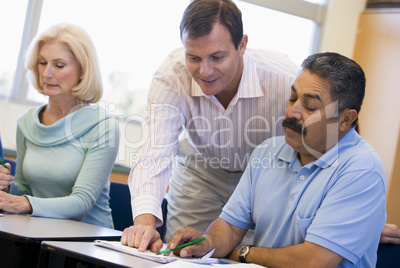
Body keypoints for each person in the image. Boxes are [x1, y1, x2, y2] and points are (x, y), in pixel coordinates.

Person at [167, 52, 387, 267]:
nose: (293, 112)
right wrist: (208, 243)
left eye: (310, 107)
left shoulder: (362, 169)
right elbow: (231, 227)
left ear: (345, 120)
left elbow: (314, 261)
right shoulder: (268, 151)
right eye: (293, 98)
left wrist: (243, 253)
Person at [121, 0, 300, 251]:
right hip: (200, 170)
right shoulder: (172, 75)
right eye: (193, 57)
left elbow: (331, 138)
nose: (205, 71)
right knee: (182, 250)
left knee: (249, 255)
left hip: (263, 176)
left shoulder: (285, 78)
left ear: (241, 46)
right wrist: (144, 224)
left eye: (217, 57)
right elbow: (153, 151)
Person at [0, 23, 120, 228]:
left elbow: (81, 202)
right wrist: (8, 188)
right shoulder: (26, 122)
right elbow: (24, 188)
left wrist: (23, 203)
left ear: (83, 70)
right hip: (36, 232)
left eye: (59, 65)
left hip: (87, 244)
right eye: (42, 62)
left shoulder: (103, 126)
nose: (46, 73)